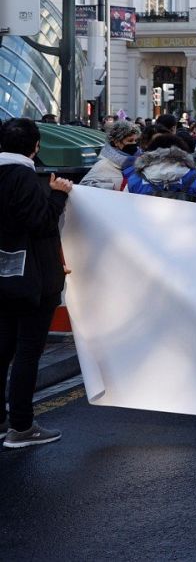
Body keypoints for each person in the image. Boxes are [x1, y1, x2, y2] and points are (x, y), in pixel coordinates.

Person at [0, 118, 73, 448]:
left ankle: (3, 422)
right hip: (33, 281)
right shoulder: (23, 177)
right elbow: (41, 223)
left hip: (4, 277)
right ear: (36, 146)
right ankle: (22, 426)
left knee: (3, 350)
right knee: (28, 352)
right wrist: (57, 197)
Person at [125, 133, 196, 202]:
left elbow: (124, 210)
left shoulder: (135, 179)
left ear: (150, 152)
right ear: (183, 152)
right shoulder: (195, 179)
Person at [81, 119, 141, 190]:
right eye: (130, 140)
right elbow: (84, 188)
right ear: (116, 142)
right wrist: (112, 189)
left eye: (136, 140)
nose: (134, 143)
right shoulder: (102, 166)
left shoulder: (140, 162)